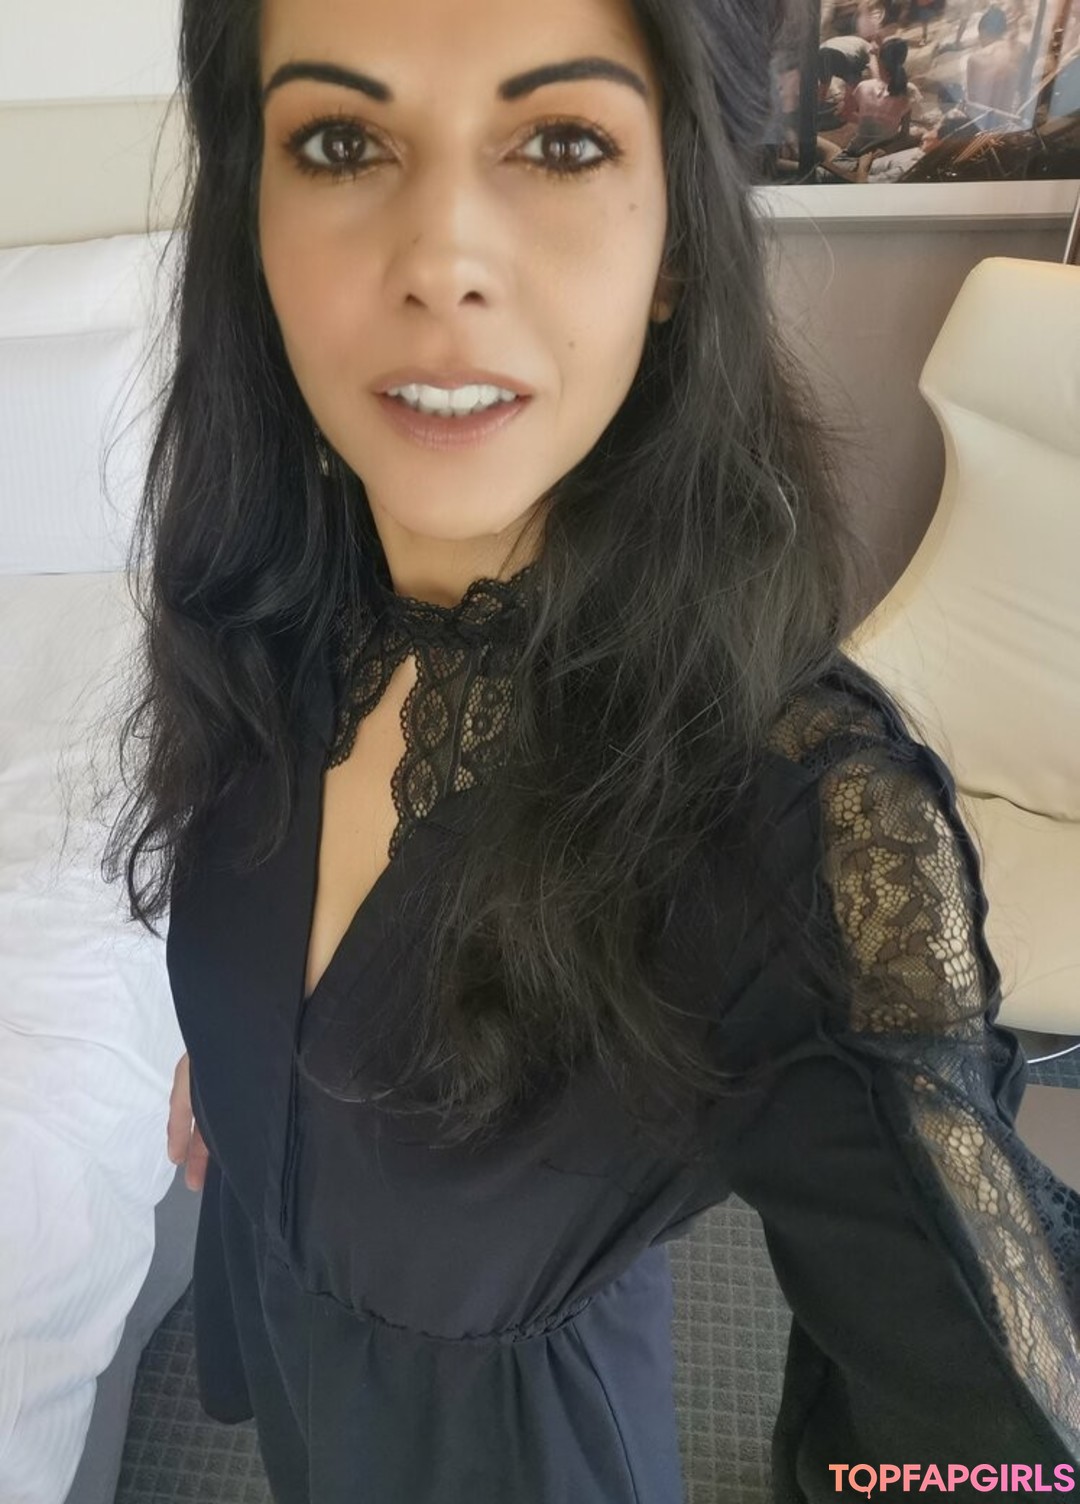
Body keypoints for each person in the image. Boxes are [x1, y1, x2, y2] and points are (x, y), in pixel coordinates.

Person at [101, 0, 1080, 1498]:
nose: (441, 261)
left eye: (560, 143)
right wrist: (248, 1059)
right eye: (342, 143)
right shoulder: (270, 601)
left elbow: (1005, 1433)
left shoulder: (786, 811)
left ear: (677, 243)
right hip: (308, 1375)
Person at [966, 4, 1025, 129]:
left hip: (983, 124)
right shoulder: (1019, 50)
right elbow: (1023, 88)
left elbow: (972, 100)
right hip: (1008, 120)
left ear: (983, 32)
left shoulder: (975, 58)